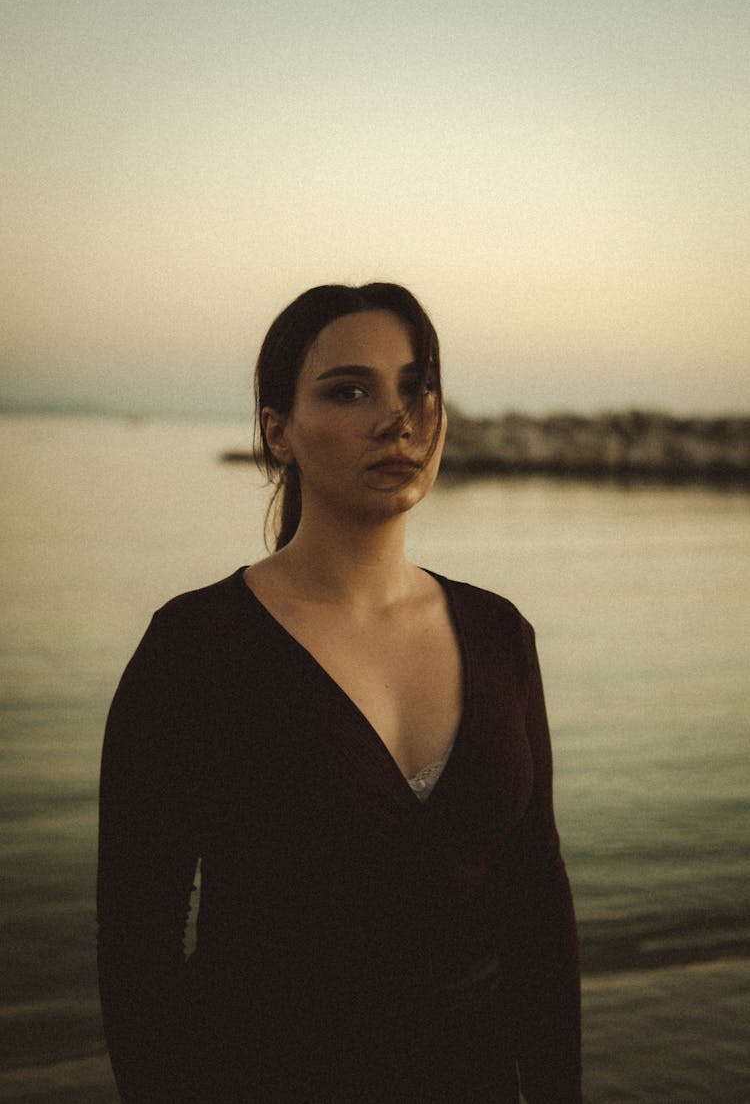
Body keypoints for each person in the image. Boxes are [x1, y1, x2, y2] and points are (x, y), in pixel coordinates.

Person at [97, 282, 581, 1102]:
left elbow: (536, 901)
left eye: (415, 386)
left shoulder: (500, 634)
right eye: (348, 389)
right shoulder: (196, 648)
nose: (397, 418)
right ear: (276, 432)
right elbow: (136, 949)